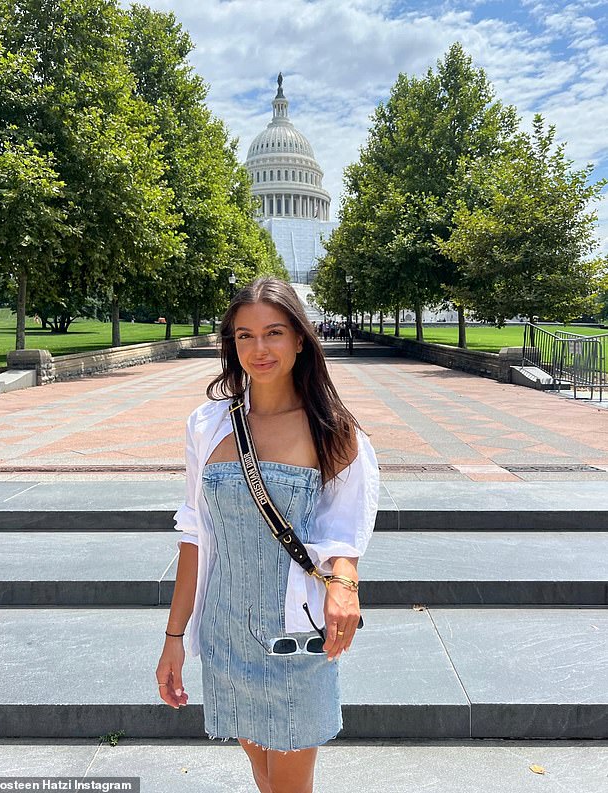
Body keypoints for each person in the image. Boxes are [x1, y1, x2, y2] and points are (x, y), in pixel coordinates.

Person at [156, 276, 380, 793]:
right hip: (226, 627)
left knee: (289, 785)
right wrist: (174, 640)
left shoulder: (334, 430)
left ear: (301, 338)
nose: (259, 348)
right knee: (262, 771)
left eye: (274, 332)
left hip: (294, 633)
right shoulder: (207, 425)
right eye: (244, 336)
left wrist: (345, 587)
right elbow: (194, 534)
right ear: (231, 344)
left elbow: (344, 533)